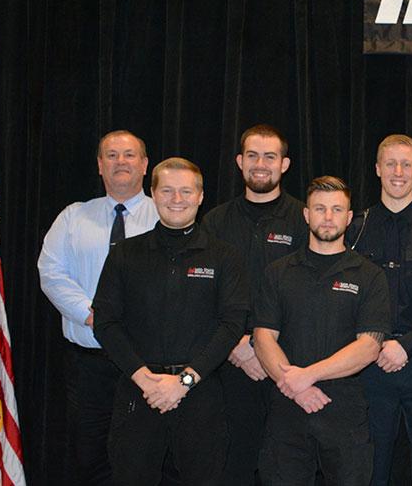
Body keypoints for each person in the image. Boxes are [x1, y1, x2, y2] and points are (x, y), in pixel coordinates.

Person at [93, 158, 248, 486]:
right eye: (167, 190)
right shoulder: (125, 254)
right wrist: (144, 379)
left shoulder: (224, 257)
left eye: (186, 191)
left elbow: (231, 325)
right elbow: (106, 323)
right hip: (139, 392)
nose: (177, 199)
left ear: (200, 196)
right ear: (153, 193)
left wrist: (184, 382)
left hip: (200, 394)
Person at [38, 130, 159, 485]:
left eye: (129, 154)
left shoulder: (166, 216)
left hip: (146, 363)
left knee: (145, 458)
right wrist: (93, 315)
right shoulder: (73, 217)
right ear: (99, 165)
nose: (121, 162)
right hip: (88, 365)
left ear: (145, 164)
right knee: (90, 458)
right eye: (112, 155)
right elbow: (51, 272)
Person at [253, 176, 391, 485]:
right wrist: (295, 384)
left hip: (344, 409)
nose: (328, 217)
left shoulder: (370, 276)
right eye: (319, 208)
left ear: (349, 217)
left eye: (336, 209)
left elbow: (369, 346)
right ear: (306, 214)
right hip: (287, 406)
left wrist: (309, 375)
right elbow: (263, 337)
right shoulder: (278, 273)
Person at [201, 124, 308, 485]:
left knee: (286, 467)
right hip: (231, 363)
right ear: (239, 161)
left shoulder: (304, 218)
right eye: (252, 155)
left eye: (270, 156)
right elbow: (203, 292)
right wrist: (237, 347)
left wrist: (268, 352)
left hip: (289, 364)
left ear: (285, 164)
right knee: (234, 465)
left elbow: (312, 293)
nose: (260, 164)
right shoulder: (215, 221)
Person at [346, 135, 412, 486]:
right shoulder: (354, 228)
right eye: (390, 163)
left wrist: (406, 345)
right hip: (367, 364)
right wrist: (374, 345)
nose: (398, 172)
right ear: (377, 169)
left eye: (407, 164)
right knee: (369, 468)